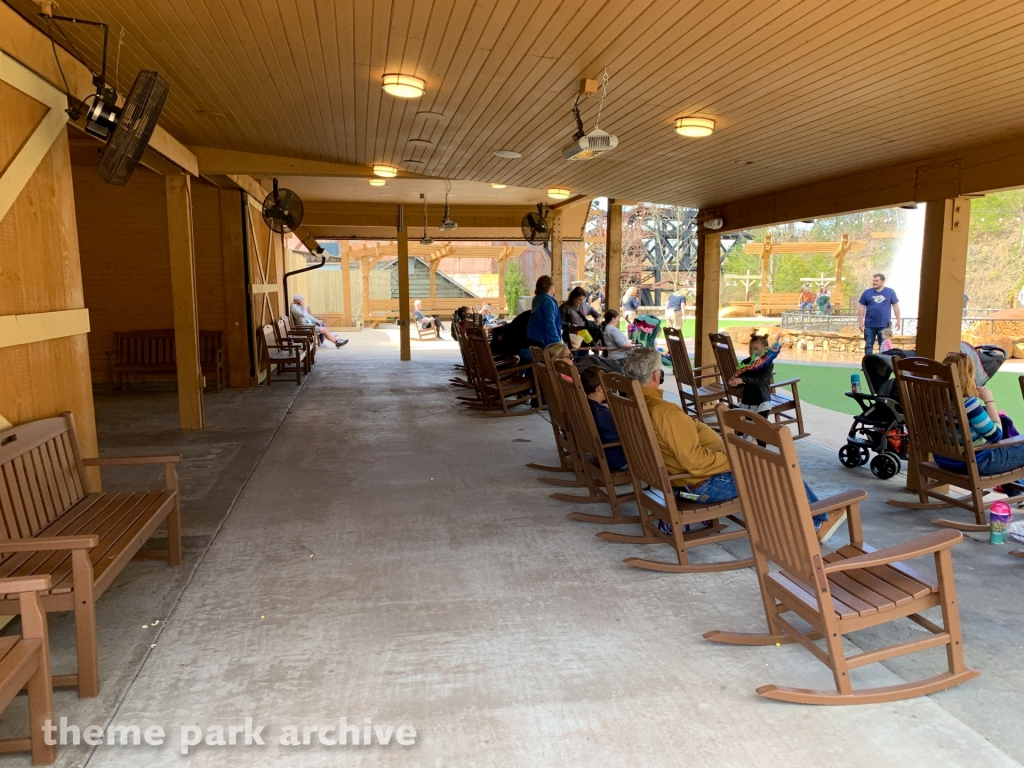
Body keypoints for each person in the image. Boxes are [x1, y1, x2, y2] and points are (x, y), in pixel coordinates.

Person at [621, 348, 837, 538]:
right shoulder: (663, 412)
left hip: (681, 481)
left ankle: (800, 518)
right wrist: (736, 456)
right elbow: (695, 462)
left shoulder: (631, 405)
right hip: (701, 485)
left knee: (762, 461)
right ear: (657, 375)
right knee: (778, 467)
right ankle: (817, 523)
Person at [934, 352, 1023, 497]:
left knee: (1008, 448)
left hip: (943, 460)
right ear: (969, 374)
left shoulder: (932, 400)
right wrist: (989, 401)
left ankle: (1016, 493)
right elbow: (995, 435)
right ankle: (1017, 493)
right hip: (973, 464)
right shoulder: (967, 403)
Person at [580, 366, 627, 471]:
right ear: (600, 388)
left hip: (601, 456)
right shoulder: (601, 413)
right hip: (617, 461)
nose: (611, 388)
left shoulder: (586, 406)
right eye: (609, 385)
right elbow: (625, 435)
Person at [728, 331, 781, 420]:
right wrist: (736, 383)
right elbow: (742, 380)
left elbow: (760, 381)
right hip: (747, 400)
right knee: (744, 427)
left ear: (766, 349)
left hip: (762, 402)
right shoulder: (745, 362)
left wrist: (743, 379)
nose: (752, 351)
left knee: (759, 427)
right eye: (750, 348)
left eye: (755, 349)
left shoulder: (768, 365)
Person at [858, 273, 901, 354]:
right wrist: (860, 322)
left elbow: (896, 306)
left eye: (876, 281)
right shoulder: (867, 292)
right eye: (873, 281)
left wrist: (898, 320)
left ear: (883, 281)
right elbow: (862, 307)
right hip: (869, 325)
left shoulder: (890, 292)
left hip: (884, 325)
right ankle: (868, 364)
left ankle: (883, 365)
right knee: (868, 345)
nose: (874, 282)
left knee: (884, 346)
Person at [526, 275, 562, 349]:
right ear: (550, 286)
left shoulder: (537, 299)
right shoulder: (548, 301)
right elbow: (549, 324)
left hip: (535, 337)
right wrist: (558, 343)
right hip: (545, 340)